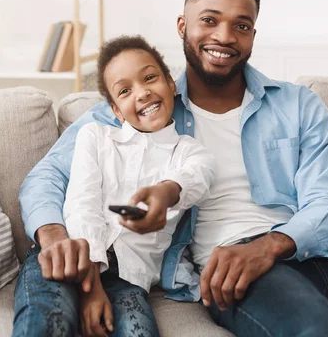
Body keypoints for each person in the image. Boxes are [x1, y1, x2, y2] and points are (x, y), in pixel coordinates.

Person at [14, 0, 328, 337]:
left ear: (253, 33)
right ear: (183, 26)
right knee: (319, 330)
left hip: (327, 252)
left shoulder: (296, 104)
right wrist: (54, 237)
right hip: (233, 269)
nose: (224, 36)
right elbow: (46, 178)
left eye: (242, 25)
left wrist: (272, 244)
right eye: (210, 20)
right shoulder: (146, 106)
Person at [62, 35, 215, 337]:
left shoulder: (190, 151)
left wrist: (166, 192)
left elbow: (197, 177)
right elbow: (82, 204)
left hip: (129, 279)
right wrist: (91, 288)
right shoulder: (96, 137)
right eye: (125, 91)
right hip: (73, 259)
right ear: (117, 110)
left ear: (171, 84)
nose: (142, 93)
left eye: (149, 78)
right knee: (46, 323)